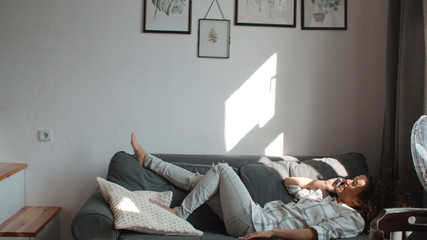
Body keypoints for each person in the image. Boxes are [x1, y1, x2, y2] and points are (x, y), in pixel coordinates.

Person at [129, 132, 382, 240]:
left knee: (222, 170)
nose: (349, 181)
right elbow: (290, 183)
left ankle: (179, 215)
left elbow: (314, 234)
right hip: (252, 216)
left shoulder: (353, 221)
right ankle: (148, 160)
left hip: (256, 223)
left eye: (355, 183)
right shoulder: (325, 199)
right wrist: (323, 183)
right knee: (200, 181)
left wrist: (272, 233)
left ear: (360, 201)